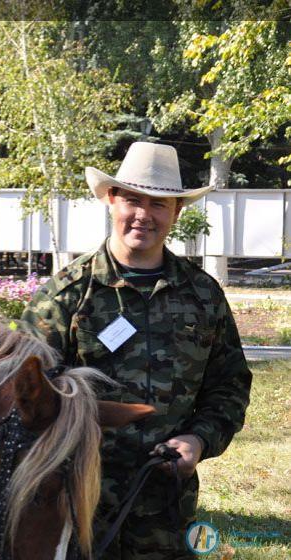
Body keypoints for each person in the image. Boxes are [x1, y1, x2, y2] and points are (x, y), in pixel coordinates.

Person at [22, 142, 252, 559]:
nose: (144, 215)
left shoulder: (203, 295)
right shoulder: (67, 295)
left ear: (177, 213)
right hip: (77, 510)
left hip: (167, 511)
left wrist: (199, 440)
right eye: (132, 199)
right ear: (111, 201)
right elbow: (25, 398)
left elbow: (229, 387)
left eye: (159, 204)